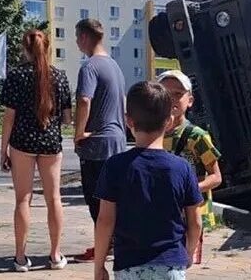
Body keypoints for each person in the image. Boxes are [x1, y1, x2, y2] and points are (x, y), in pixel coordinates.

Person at [94, 81, 203, 280]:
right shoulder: (182, 168)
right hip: (171, 265)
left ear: (129, 121)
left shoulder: (115, 166)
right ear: (169, 121)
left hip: (129, 265)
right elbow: (195, 221)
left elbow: (105, 221)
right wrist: (189, 252)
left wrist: (99, 265)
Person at [0, 30, 72, 272]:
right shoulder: (60, 77)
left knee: (23, 199)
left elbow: (9, 118)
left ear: (25, 49)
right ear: (48, 48)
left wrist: (3, 151)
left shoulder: (16, 76)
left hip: (22, 143)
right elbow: (67, 119)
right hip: (51, 144)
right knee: (54, 199)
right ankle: (55, 254)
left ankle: (20, 257)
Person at [74, 19, 127, 262]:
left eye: (77, 37)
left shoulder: (90, 67)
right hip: (117, 141)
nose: (76, 42)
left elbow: (85, 100)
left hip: (97, 143)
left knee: (95, 200)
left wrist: (79, 132)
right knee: (114, 198)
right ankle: (115, 243)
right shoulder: (115, 66)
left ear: (85, 37)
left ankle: (104, 246)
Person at [158, 70, 222, 265]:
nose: (172, 99)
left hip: (190, 215)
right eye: (165, 94)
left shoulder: (197, 136)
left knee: (180, 265)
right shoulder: (153, 133)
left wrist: (189, 190)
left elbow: (216, 177)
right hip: (162, 212)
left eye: (178, 94)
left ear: (190, 100)